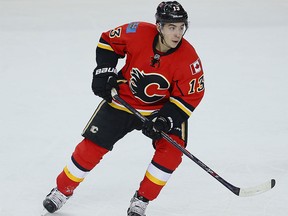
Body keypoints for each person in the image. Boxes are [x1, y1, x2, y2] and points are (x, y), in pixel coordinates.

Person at [43, 1, 205, 215]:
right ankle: (62, 190)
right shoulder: (137, 31)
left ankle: (142, 200)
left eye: (181, 27)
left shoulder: (189, 59)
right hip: (123, 101)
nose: (177, 33)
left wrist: (166, 119)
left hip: (161, 111)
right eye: (171, 27)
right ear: (159, 26)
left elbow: (191, 95)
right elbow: (108, 42)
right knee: (91, 147)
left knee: (171, 152)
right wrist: (104, 71)